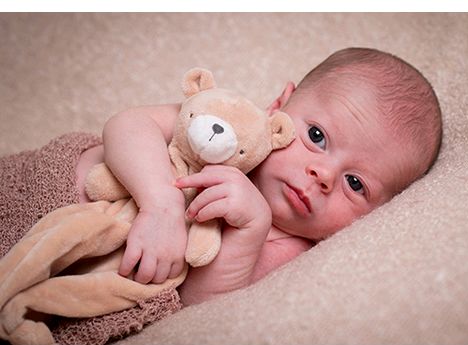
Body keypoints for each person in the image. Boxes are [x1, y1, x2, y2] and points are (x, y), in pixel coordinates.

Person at [33, 47, 444, 306]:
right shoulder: (225, 126)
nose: (323, 176)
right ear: (279, 106)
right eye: (316, 136)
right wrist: (161, 202)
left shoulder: (288, 247)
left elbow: (196, 303)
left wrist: (251, 228)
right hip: (46, 187)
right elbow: (127, 125)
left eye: (356, 184)